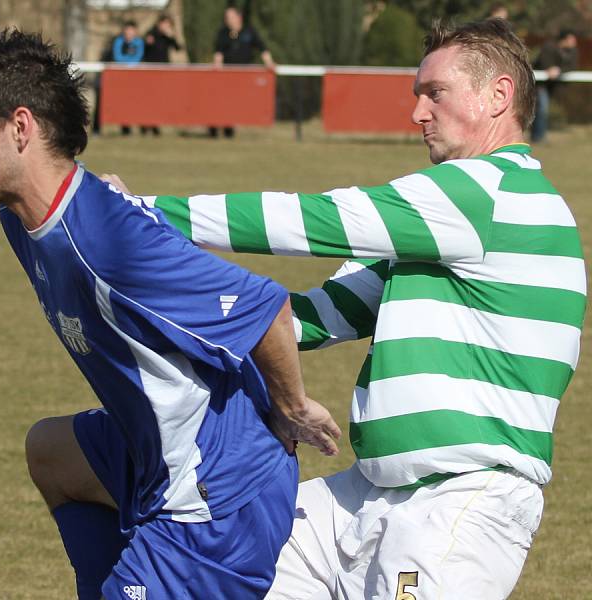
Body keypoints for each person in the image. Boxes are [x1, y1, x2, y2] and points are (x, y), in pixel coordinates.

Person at [104, 18, 586, 599]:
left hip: (461, 502)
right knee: (227, 559)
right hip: (367, 495)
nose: (418, 114)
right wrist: (170, 304)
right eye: (417, 96)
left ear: (499, 96)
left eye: (435, 93)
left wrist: (137, 213)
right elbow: (310, 318)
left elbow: (314, 220)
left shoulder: (489, 191)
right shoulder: (446, 224)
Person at [0, 29, 342, 600]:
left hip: (217, 495)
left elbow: (267, 308)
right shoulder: (35, 213)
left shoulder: (110, 242)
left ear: (22, 128)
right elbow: (4, 201)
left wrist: (292, 408)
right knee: (51, 452)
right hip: (156, 450)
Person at [210, 6, 275, 138]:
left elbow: (262, 48)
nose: (228, 20)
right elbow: (218, 53)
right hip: (227, 75)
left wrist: (269, 63)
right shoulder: (223, 33)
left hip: (244, 76)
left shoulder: (249, 31)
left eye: (230, 17)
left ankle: (229, 127)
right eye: (226, 17)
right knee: (221, 102)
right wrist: (217, 69)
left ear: (239, 17)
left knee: (235, 103)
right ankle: (214, 127)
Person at [531, 29, 578, 143]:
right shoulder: (549, 47)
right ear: (564, 39)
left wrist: (559, 70)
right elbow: (543, 63)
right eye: (572, 39)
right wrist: (549, 68)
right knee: (542, 108)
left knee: (542, 109)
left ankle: (538, 135)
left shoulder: (573, 51)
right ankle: (538, 137)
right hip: (540, 83)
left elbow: (572, 66)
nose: (574, 42)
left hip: (553, 85)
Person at [141, 14, 182, 135]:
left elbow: (178, 47)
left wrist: (171, 35)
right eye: (165, 24)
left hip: (163, 71)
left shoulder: (167, 37)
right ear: (160, 23)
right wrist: (147, 43)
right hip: (150, 72)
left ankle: (155, 125)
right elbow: (144, 47)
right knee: (149, 100)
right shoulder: (151, 33)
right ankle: (145, 125)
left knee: (158, 100)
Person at [112, 20, 144, 136]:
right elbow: (117, 57)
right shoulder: (118, 42)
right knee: (122, 102)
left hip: (136, 78)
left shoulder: (139, 42)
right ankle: (125, 128)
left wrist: (128, 64)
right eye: (127, 30)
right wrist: (128, 63)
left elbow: (138, 57)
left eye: (131, 30)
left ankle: (143, 127)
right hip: (121, 78)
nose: (129, 33)